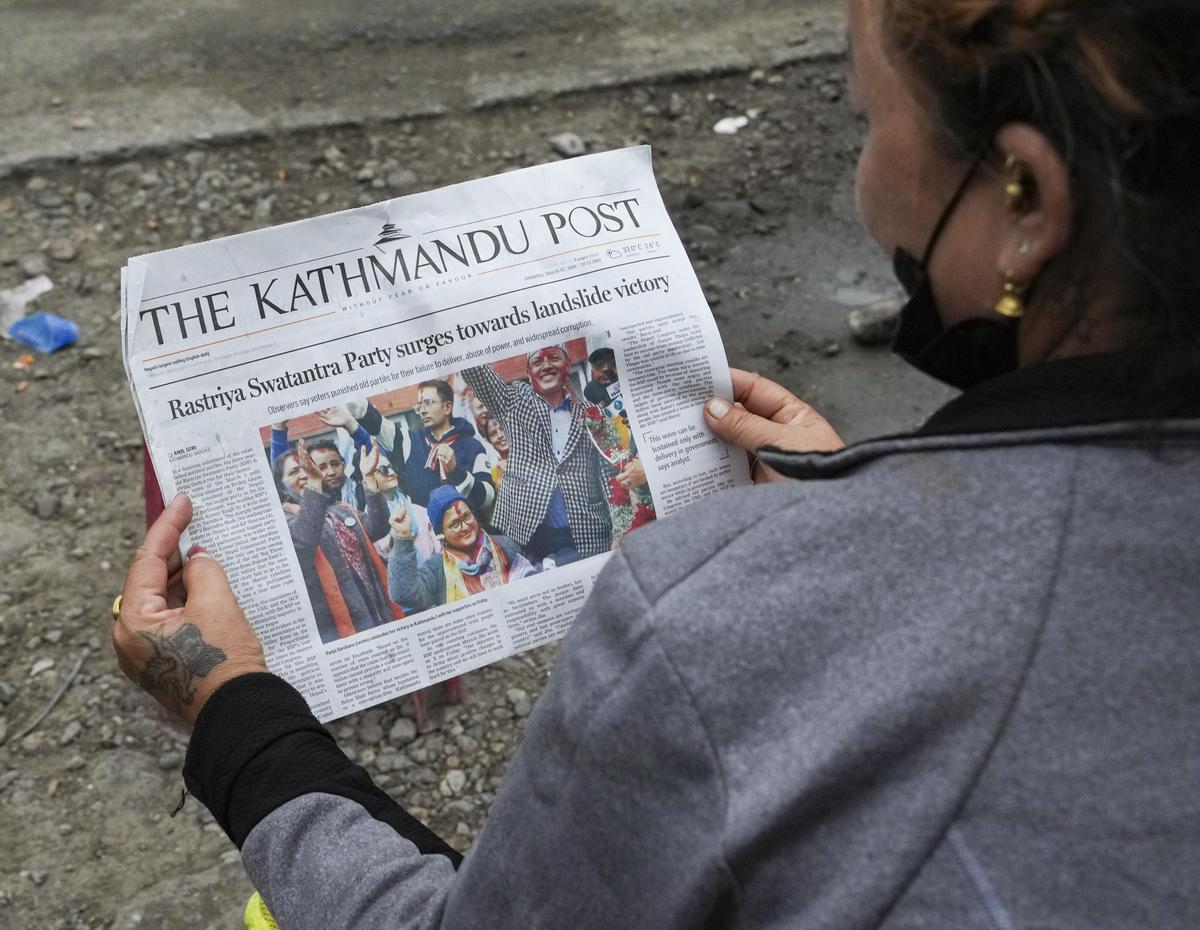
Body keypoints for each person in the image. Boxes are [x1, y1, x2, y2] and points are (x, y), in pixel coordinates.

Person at [113, 2, 1200, 926]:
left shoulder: (704, 623)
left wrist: (236, 718)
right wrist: (861, 511)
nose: (869, 180)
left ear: (1025, 198)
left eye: (869, 121)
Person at [463, 346, 612, 564]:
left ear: (568, 364)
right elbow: (477, 373)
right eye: (537, 362)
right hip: (533, 535)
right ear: (529, 371)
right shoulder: (513, 403)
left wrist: (620, 530)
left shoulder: (592, 413)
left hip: (591, 530)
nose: (546, 366)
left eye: (554, 358)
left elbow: (609, 476)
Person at [277, 441, 403, 643]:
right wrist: (314, 483)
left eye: (307, 467)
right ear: (280, 485)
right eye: (294, 471)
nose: (304, 474)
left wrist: (369, 478)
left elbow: (377, 528)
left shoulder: (340, 509)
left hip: (376, 612)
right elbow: (305, 539)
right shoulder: (285, 520)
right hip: (338, 629)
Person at [387, 485, 536, 613]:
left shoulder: (504, 545)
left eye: (467, 517)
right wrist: (402, 538)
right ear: (441, 533)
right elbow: (404, 594)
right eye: (455, 524)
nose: (465, 527)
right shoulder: (436, 568)